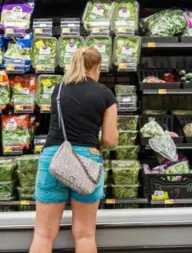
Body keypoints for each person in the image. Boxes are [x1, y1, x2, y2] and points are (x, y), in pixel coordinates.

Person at [30, 47, 118, 253]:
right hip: (87, 160)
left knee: (43, 235)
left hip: (54, 157)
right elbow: (109, 140)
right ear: (97, 67)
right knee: (85, 235)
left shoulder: (58, 90)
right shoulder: (105, 94)